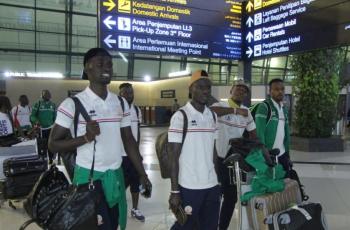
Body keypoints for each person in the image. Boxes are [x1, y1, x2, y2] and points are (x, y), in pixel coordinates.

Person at [48, 48, 151, 230]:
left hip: (115, 176)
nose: (107, 68)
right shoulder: (73, 104)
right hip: (88, 178)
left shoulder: (120, 103)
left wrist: (142, 173)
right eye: (100, 64)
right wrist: (85, 138)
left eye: (110, 64)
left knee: (112, 225)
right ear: (87, 68)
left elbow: (129, 140)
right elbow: (53, 144)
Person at [168, 70, 220, 230]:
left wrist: (217, 180)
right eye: (201, 86)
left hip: (211, 185)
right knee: (184, 225)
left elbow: (213, 151)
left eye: (208, 87)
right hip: (189, 185)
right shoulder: (181, 116)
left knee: (209, 226)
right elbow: (173, 157)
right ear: (191, 89)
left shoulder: (212, 115)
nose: (206, 91)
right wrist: (175, 191)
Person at [210, 80, 257, 230]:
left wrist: (254, 146)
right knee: (214, 195)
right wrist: (235, 111)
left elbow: (253, 134)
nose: (240, 91)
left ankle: (221, 227)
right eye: (238, 89)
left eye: (244, 91)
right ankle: (208, 223)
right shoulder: (221, 106)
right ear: (231, 91)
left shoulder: (247, 112)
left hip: (234, 160)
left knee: (230, 197)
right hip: (217, 158)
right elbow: (211, 111)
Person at [119, 82, 145, 222]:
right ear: (120, 94)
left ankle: (135, 209)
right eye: (126, 92)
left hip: (133, 155)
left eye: (131, 92)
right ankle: (116, 209)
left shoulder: (136, 110)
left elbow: (138, 131)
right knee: (120, 185)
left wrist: (138, 150)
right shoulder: (116, 110)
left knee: (136, 183)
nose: (129, 95)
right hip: (120, 156)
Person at [255, 78, 291, 176]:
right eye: (276, 89)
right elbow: (259, 132)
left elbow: (286, 133)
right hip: (269, 154)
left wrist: (288, 154)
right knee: (270, 187)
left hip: (282, 154)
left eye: (282, 89)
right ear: (270, 91)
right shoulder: (264, 107)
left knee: (284, 185)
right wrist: (264, 152)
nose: (280, 92)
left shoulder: (284, 109)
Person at [30, 89, 56, 163]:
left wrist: (54, 125)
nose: (47, 95)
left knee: (50, 144)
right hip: (41, 129)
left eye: (48, 94)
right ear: (42, 96)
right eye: (45, 94)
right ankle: (42, 160)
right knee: (42, 145)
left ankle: (51, 160)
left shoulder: (53, 105)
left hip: (50, 128)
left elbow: (55, 117)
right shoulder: (38, 104)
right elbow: (32, 116)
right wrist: (36, 121)